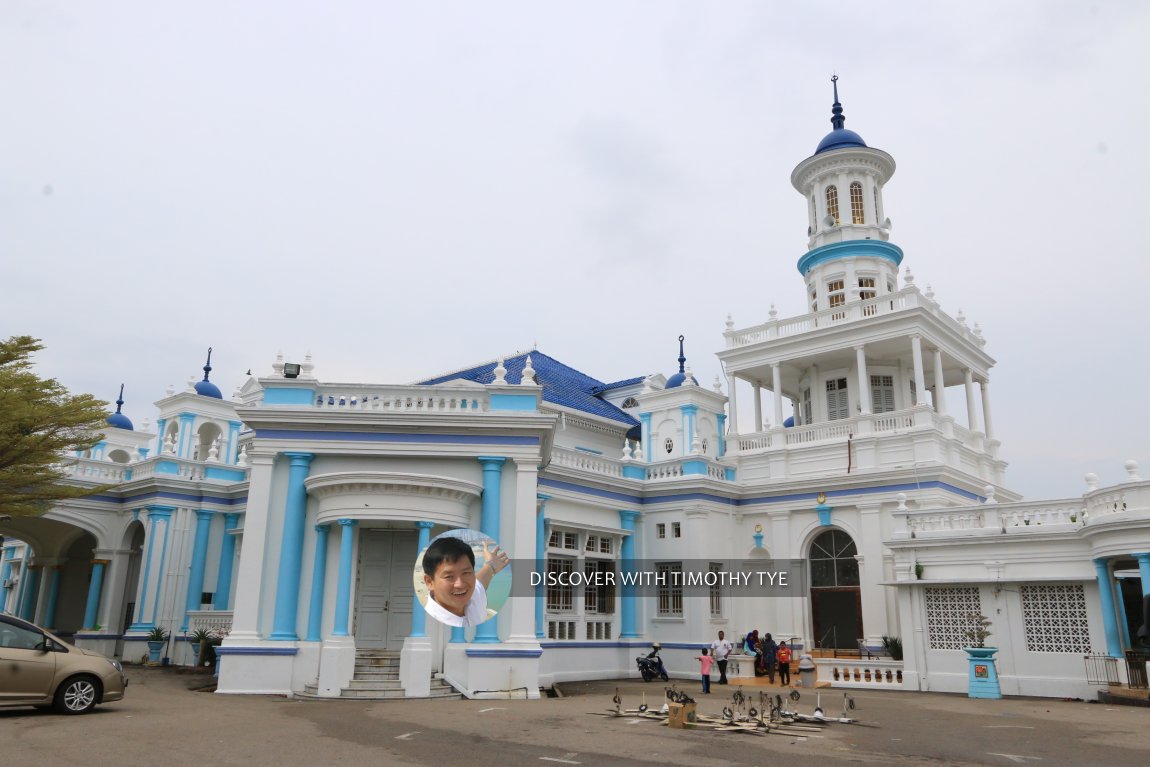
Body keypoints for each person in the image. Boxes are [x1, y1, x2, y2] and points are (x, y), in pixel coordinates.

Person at [421, 536, 508, 628]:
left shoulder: (473, 596)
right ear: (429, 582)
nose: (460, 584)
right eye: (449, 576)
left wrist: (491, 565)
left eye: (466, 573)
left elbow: (481, 581)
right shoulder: (429, 624)